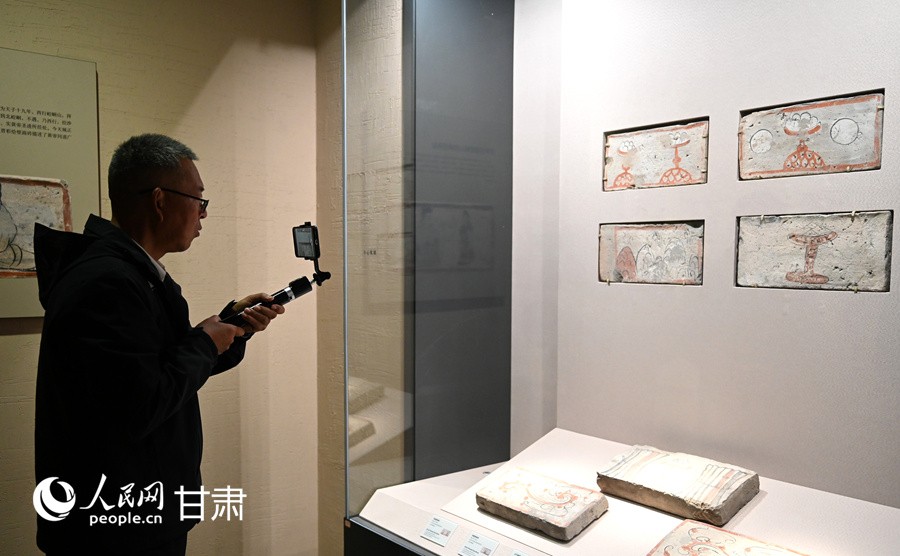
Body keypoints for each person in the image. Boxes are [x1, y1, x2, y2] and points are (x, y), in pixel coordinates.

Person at [33, 133, 284, 555]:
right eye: (198, 199)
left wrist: (229, 329)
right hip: (116, 528)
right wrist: (204, 342)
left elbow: (161, 366)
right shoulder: (108, 282)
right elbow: (143, 401)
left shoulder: (134, 275)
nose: (204, 213)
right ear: (160, 200)